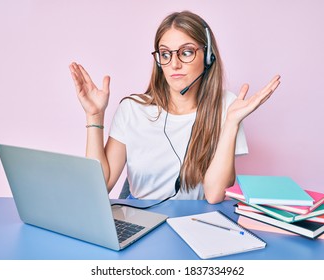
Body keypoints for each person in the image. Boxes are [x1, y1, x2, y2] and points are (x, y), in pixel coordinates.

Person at [69, 11, 280, 204]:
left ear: (208, 57)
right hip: (140, 221)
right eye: (166, 54)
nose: (174, 64)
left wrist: (232, 123)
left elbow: (215, 194)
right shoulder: (132, 109)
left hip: (194, 223)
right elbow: (99, 188)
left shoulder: (228, 106)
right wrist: (94, 115)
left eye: (186, 52)